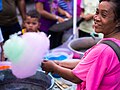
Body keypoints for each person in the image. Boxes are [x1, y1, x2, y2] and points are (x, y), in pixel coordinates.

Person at [41, 0, 120, 89]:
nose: (96, 18)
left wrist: (54, 68)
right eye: (97, 12)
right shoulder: (115, 42)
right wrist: (59, 63)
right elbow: (87, 64)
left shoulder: (103, 50)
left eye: (104, 15)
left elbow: (75, 77)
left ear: (118, 22)